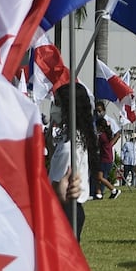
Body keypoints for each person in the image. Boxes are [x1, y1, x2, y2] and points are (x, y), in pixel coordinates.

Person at [49, 84, 98, 240]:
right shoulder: (78, 138)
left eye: (57, 103)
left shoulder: (69, 146)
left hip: (64, 210)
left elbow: (58, 185)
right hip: (72, 210)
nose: (53, 108)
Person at [96, 116, 122, 200]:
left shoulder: (102, 136)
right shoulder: (107, 135)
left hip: (105, 158)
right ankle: (99, 194)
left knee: (100, 177)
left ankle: (114, 190)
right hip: (107, 158)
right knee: (99, 177)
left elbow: (97, 145)